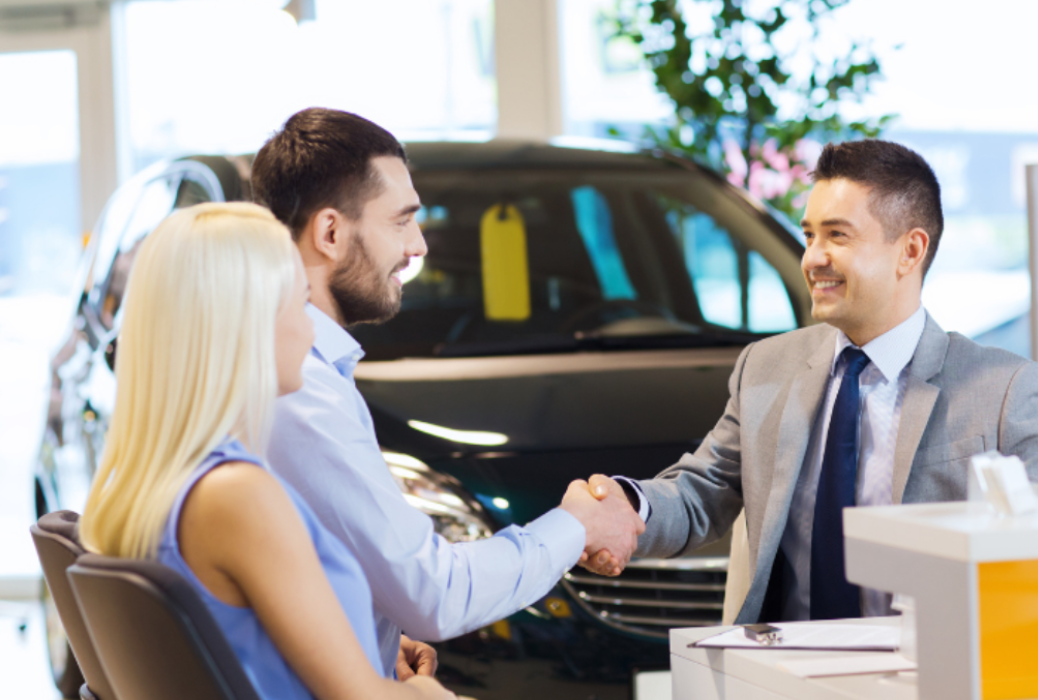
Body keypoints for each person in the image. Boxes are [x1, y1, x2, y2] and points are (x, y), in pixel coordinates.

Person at [250, 108, 645, 678]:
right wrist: (578, 524)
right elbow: (434, 593)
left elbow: (304, 568)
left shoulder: (312, 370)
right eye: (401, 221)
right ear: (330, 232)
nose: (419, 246)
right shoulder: (301, 390)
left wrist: (368, 635)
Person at [585, 139, 1038, 623]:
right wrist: (626, 506)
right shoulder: (765, 367)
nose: (813, 259)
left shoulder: (1004, 390)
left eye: (837, 236)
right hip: (784, 670)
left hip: (925, 675)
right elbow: (702, 491)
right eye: (809, 236)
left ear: (910, 250)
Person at [79, 202, 456, 700]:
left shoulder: (161, 483)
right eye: (300, 304)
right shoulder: (237, 495)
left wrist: (363, 648)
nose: (311, 330)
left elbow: (233, 634)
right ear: (245, 324)